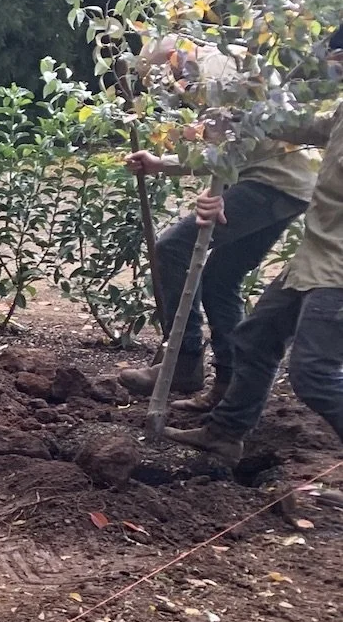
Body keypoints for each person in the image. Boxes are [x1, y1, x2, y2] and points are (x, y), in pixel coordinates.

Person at [165, 29, 343, 487]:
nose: (332, 67)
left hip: (337, 270)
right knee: (256, 337)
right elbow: (293, 128)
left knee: (315, 375)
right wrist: (239, 116)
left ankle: (208, 398)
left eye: (338, 58)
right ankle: (225, 433)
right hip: (315, 258)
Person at [117, 39, 320, 412]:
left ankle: (185, 360)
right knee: (220, 279)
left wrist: (224, 194)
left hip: (270, 181)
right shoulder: (218, 68)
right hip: (286, 184)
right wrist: (162, 163)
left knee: (171, 248)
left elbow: (224, 139)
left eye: (167, 78)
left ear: (176, 60)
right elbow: (226, 141)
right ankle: (229, 383)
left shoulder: (217, 69)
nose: (173, 88)